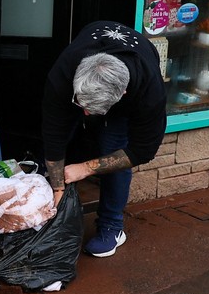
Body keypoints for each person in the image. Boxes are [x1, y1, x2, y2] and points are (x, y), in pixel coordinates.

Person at [41, 21, 166, 257]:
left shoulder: (149, 94)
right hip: (85, 66)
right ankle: (57, 208)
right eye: (82, 105)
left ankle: (112, 226)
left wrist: (86, 168)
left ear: (122, 95)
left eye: (93, 109)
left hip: (130, 86)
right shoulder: (64, 71)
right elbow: (53, 131)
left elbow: (141, 151)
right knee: (65, 135)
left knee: (113, 143)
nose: (86, 113)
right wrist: (57, 185)